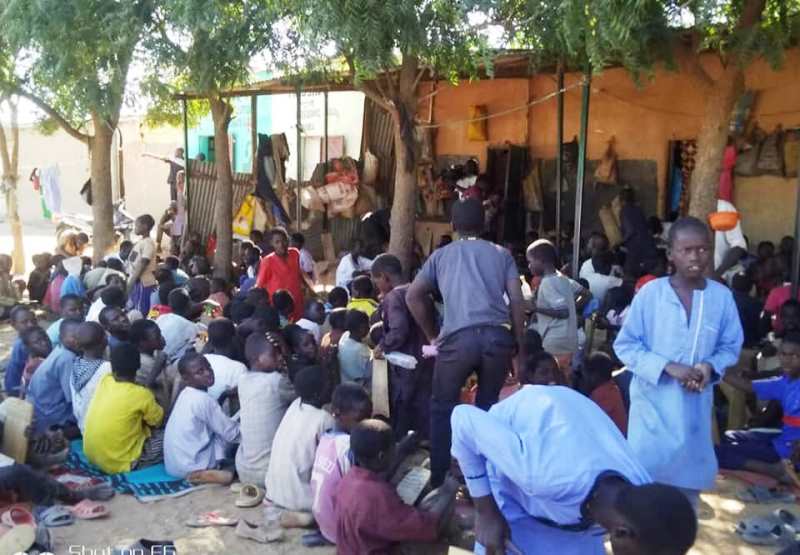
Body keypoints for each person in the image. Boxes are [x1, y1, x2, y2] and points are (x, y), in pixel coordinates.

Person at [451, 385, 697, 554]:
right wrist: (486, 511)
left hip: (569, 498)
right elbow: (462, 418)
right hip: (510, 472)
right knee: (495, 541)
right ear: (621, 533)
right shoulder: (542, 474)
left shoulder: (637, 485)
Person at [614, 217, 743, 508]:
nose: (696, 257)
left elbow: (730, 346)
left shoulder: (721, 299)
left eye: (702, 249)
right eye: (687, 250)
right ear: (671, 253)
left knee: (684, 512)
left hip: (694, 421)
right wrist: (667, 366)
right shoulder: (651, 295)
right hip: (652, 416)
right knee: (646, 502)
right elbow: (626, 344)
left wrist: (708, 367)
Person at [407, 198, 526, 488]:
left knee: (442, 407)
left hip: (457, 341)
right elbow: (518, 300)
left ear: (453, 225)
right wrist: (518, 343)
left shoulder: (441, 256)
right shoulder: (502, 254)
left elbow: (413, 296)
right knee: (487, 409)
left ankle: (439, 478)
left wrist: (433, 334)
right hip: (497, 338)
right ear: (484, 224)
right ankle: (486, 481)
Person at [335, 419, 457, 554]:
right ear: (381, 456)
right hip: (376, 549)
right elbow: (426, 526)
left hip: (350, 548)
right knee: (441, 546)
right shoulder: (378, 496)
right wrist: (448, 490)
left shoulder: (349, 478)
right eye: (394, 446)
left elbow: (381, 471)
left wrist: (401, 450)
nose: (396, 448)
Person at [717, 331, 800, 483]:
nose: (787, 360)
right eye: (783, 354)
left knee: (716, 453)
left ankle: (774, 470)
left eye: (795, 356)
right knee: (730, 436)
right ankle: (771, 464)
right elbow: (749, 386)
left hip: (790, 450)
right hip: (781, 439)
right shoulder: (785, 381)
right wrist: (718, 369)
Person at [371, 253, 433, 440]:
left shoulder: (394, 297)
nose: (377, 287)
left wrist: (382, 346)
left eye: (377, 281)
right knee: (424, 405)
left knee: (404, 406)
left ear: (384, 277)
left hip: (406, 364)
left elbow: (399, 330)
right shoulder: (419, 291)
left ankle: (404, 444)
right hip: (426, 359)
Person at [83, 343, 164, 473]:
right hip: (121, 463)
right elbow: (158, 422)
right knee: (167, 435)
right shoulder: (142, 394)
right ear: (138, 366)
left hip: (92, 456)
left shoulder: (106, 380)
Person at [265, 365, 334, 511]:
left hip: (274, 491)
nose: (332, 387)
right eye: (328, 385)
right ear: (317, 394)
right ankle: (306, 518)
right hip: (300, 498)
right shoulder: (324, 419)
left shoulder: (295, 405)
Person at [310, 383, 373, 544]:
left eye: (369, 417)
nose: (366, 424)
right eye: (361, 419)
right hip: (341, 531)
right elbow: (369, 484)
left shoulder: (326, 437)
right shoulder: (348, 446)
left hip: (324, 523)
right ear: (337, 414)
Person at [164, 352, 241, 479]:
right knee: (226, 432)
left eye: (208, 367)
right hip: (192, 466)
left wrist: (224, 396)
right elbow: (231, 433)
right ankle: (212, 469)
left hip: (174, 467)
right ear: (186, 378)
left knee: (220, 425)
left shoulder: (186, 395)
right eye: (199, 372)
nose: (208, 373)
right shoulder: (203, 400)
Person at [236, 333, 296, 485]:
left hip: (243, 469)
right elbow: (304, 397)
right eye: (275, 354)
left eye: (280, 353)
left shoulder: (243, 380)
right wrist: (288, 356)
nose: (280, 357)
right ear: (259, 359)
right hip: (270, 472)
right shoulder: (276, 381)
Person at [528, 239, 580, 371]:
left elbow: (563, 312)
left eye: (530, 261)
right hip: (569, 337)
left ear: (541, 260)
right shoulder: (562, 278)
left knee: (553, 373)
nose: (529, 266)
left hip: (555, 339)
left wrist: (534, 308)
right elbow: (585, 294)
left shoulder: (548, 282)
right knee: (565, 375)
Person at [27, 318, 82, 434]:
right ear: (61, 338)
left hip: (41, 409)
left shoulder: (59, 350)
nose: (78, 340)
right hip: (52, 416)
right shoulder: (67, 358)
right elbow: (72, 397)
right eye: (73, 336)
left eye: (81, 335)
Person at [255, 228, 308, 323]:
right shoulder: (268, 261)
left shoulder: (295, 253)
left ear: (288, 240)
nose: (281, 244)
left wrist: (308, 288)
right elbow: (259, 286)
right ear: (272, 244)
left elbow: (298, 273)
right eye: (277, 242)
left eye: (284, 240)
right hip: (280, 308)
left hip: (297, 303)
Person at [70, 322, 111, 433]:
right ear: (105, 340)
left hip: (84, 430)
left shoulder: (75, 365)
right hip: (103, 431)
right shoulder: (107, 369)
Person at [576, 352, 628, 436]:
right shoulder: (612, 388)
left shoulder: (602, 396)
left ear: (593, 375)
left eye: (584, 374)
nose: (584, 379)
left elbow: (588, 423)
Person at [129, 319, 171, 411]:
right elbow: (169, 381)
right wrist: (159, 364)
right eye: (157, 337)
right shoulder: (142, 362)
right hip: (159, 409)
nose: (162, 338)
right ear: (142, 343)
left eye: (160, 333)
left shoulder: (154, 353)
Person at [619, 187, 658, 276]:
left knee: (630, 273)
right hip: (647, 245)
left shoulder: (624, 210)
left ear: (621, 199)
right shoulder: (639, 209)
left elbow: (630, 230)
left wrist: (620, 242)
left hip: (636, 247)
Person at [156, 288, 200, 364]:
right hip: (167, 366)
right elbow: (203, 342)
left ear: (169, 305)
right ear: (190, 304)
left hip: (153, 359)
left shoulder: (161, 317)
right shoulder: (192, 328)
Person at [4, 306, 39, 396]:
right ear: (13, 325)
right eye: (24, 322)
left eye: (33, 321)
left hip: (13, 385)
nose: (30, 325)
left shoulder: (24, 339)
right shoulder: (23, 345)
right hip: (18, 390)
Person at [127, 214, 158, 316]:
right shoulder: (141, 242)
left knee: (140, 310)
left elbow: (144, 262)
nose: (134, 228)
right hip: (136, 281)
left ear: (145, 226)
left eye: (137, 225)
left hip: (143, 281)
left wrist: (132, 281)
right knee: (135, 306)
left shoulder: (148, 243)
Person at [338, 310, 372, 388]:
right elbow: (371, 369)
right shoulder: (360, 349)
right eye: (367, 325)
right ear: (361, 328)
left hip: (345, 380)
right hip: (359, 386)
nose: (369, 327)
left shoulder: (345, 336)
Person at [20, 327, 53, 398]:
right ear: (28, 348)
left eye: (45, 338)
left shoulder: (44, 358)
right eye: (37, 342)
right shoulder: (35, 366)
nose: (44, 343)